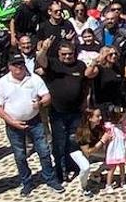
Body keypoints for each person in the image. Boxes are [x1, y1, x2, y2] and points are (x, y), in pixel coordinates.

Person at [0, 58, 62, 196]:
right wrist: (11, 121)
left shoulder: (34, 78)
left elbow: (47, 96)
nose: (18, 67)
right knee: (20, 155)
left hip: (34, 121)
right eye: (15, 64)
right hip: (13, 124)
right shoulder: (2, 82)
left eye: (20, 64)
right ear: (9, 66)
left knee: (44, 151)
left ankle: (50, 179)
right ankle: (26, 182)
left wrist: (41, 103)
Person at [39, 39, 94, 184]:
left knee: (73, 142)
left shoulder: (80, 65)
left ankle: (73, 166)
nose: (68, 57)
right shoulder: (52, 64)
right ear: (58, 54)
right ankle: (60, 172)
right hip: (58, 112)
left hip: (76, 112)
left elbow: (85, 86)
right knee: (59, 143)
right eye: (64, 54)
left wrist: (85, 103)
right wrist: (44, 49)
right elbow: (41, 60)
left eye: (70, 54)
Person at [101, 103, 126, 193]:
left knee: (122, 166)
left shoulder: (123, 127)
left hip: (121, 149)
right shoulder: (110, 127)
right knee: (111, 168)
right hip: (113, 151)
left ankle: (123, 181)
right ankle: (108, 185)